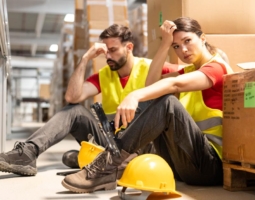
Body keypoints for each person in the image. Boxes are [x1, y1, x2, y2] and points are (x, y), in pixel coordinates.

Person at [61, 17, 234, 193]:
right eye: (176, 46)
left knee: (168, 103)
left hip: (210, 165)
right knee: (158, 97)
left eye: (187, 41)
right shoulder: (190, 70)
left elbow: (175, 85)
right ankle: (113, 163)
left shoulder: (217, 67)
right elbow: (151, 83)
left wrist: (134, 95)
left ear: (202, 38)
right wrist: (165, 44)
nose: (183, 50)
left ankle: (107, 165)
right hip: (186, 164)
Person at [0, 24, 179, 176]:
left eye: (113, 50)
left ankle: (104, 162)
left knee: (72, 157)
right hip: (111, 143)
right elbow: (72, 96)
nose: (108, 56)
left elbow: (188, 74)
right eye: (106, 52)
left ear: (129, 47)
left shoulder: (152, 67)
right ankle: (27, 154)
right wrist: (85, 58)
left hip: (139, 146)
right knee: (73, 111)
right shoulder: (104, 76)